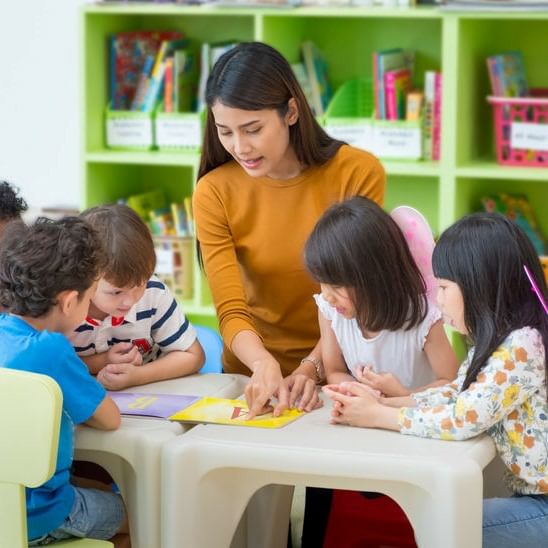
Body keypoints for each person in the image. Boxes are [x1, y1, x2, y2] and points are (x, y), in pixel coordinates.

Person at [324, 212, 548, 547]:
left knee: (447, 522)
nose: (438, 299)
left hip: (541, 507)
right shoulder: (499, 342)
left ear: (479, 284)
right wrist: (388, 401)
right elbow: (457, 394)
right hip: (531, 500)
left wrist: (380, 416)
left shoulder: (523, 345)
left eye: (443, 287)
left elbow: (464, 418)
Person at [193, 41, 385, 419]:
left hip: (343, 369)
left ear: (291, 112)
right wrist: (263, 365)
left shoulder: (358, 173)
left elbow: (357, 294)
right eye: (225, 132)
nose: (239, 147)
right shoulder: (214, 190)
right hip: (251, 373)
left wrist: (311, 366)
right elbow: (230, 309)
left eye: (252, 129)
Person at [0, 217, 130, 547]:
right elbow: (110, 419)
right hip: (37, 515)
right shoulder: (51, 350)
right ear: (69, 301)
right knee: (137, 514)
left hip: (6, 511)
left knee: (93, 491)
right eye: (88, 299)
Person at [304, 196, 459, 396]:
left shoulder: (423, 318)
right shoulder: (330, 312)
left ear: (375, 275)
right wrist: (358, 391)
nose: (327, 295)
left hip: (411, 419)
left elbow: (451, 383)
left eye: (337, 285)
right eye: (322, 281)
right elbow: (335, 371)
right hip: (366, 420)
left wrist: (399, 395)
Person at [70, 203, 204, 390]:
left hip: (148, 397)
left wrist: (137, 376)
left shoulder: (153, 292)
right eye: (116, 292)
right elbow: (47, 364)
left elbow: (193, 355)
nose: (130, 301)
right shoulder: (66, 305)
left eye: (139, 284)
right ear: (84, 277)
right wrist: (102, 361)